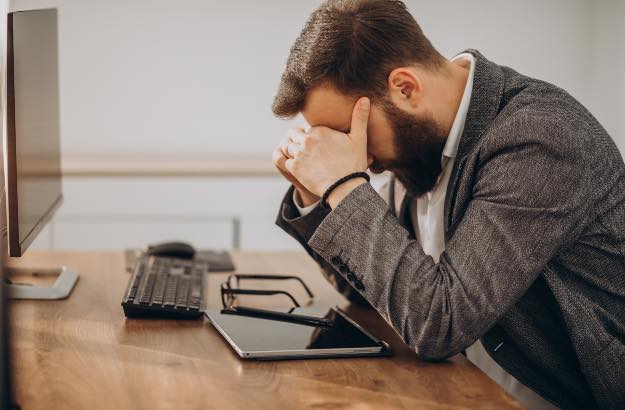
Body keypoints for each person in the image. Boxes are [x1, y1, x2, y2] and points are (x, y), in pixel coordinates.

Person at [270, 1, 625, 409]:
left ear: (404, 88)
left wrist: (344, 185)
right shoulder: (422, 144)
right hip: (466, 387)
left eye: (353, 133)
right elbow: (372, 292)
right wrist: (314, 194)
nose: (360, 157)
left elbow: (438, 323)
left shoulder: (540, 138)